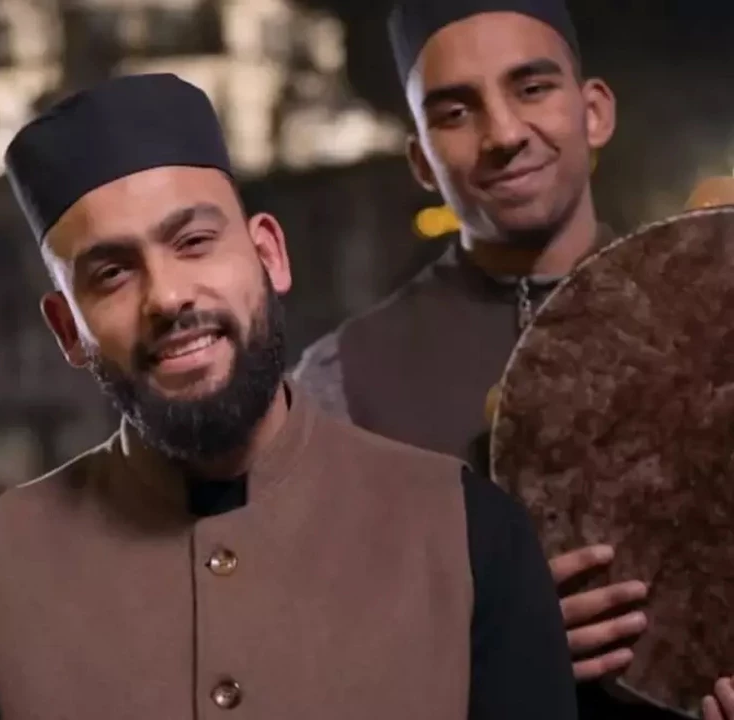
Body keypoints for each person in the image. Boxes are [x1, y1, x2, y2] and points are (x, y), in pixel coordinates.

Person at [0, 72, 576, 720]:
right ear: (68, 330)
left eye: (194, 243)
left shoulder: (470, 536)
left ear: (269, 254)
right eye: (112, 274)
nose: (168, 297)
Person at [293, 1, 692, 717]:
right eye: (455, 113)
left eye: (532, 88)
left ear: (594, 111)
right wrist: (478, 649)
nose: (504, 134)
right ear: (422, 160)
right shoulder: (342, 380)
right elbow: (308, 649)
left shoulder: (710, 312)